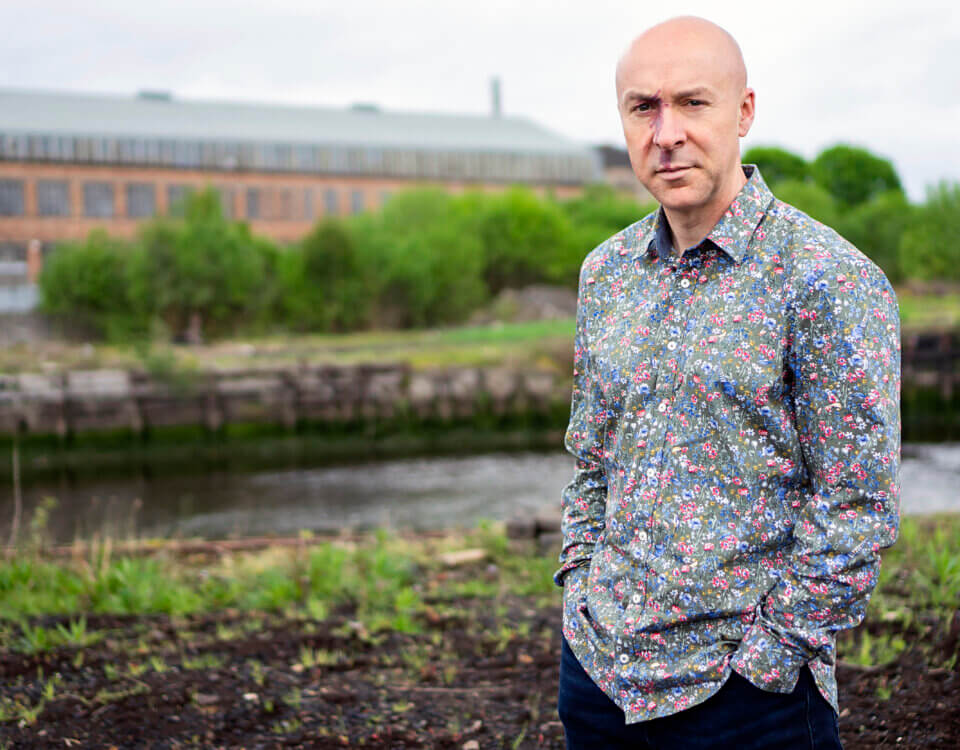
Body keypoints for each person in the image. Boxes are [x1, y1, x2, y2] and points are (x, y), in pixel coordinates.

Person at [554, 16, 900, 750]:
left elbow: (859, 505)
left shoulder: (827, 278)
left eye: (693, 102)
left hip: (746, 703)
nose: (666, 131)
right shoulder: (605, 274)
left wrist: (770, 660)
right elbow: (592, 458)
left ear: (744, 111)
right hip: (599, 679)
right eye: (643, 107)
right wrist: (578, 590)